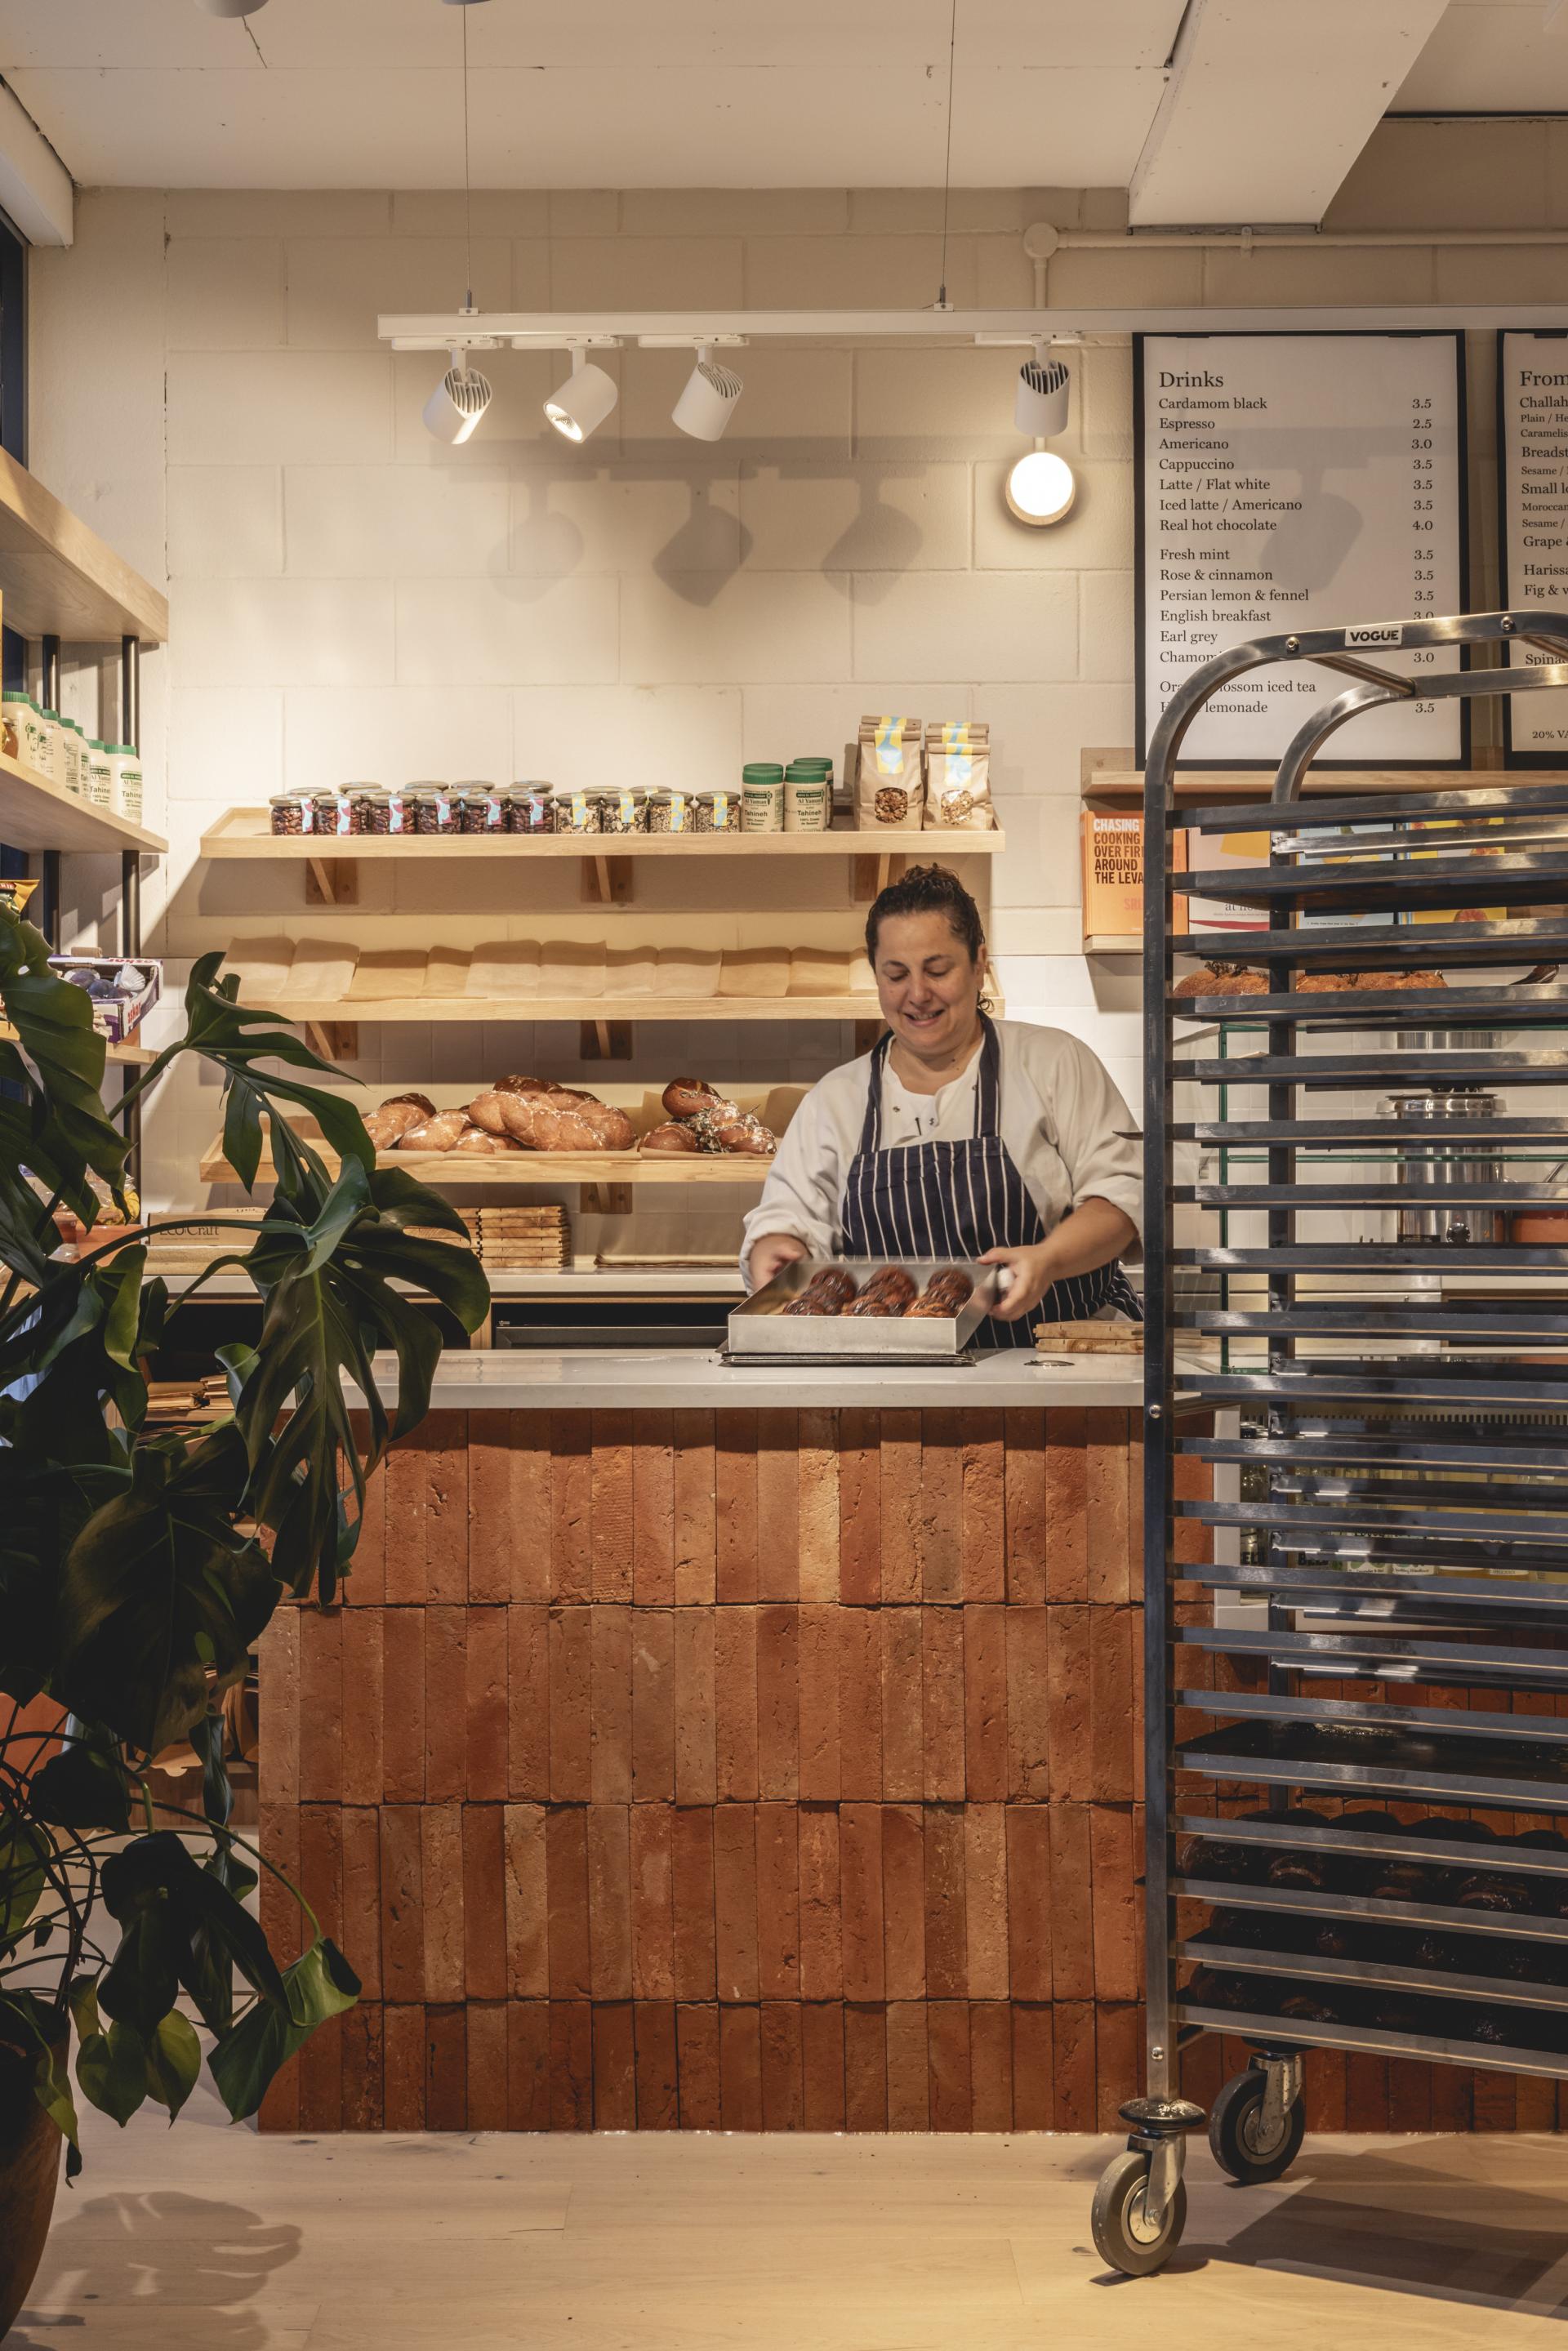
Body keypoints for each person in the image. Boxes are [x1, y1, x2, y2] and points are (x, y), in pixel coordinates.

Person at [740, 863, 1141, 1347]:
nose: (917, 994)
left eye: (937, 970)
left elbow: (1120, 1198)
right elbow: (788, 1219)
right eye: (896, 974)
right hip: (892, 1370)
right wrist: (778, 1249)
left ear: (979, 965)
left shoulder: (1054, 1062)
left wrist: (1048, 1260)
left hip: (1057, 1354)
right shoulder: (835, 1100)